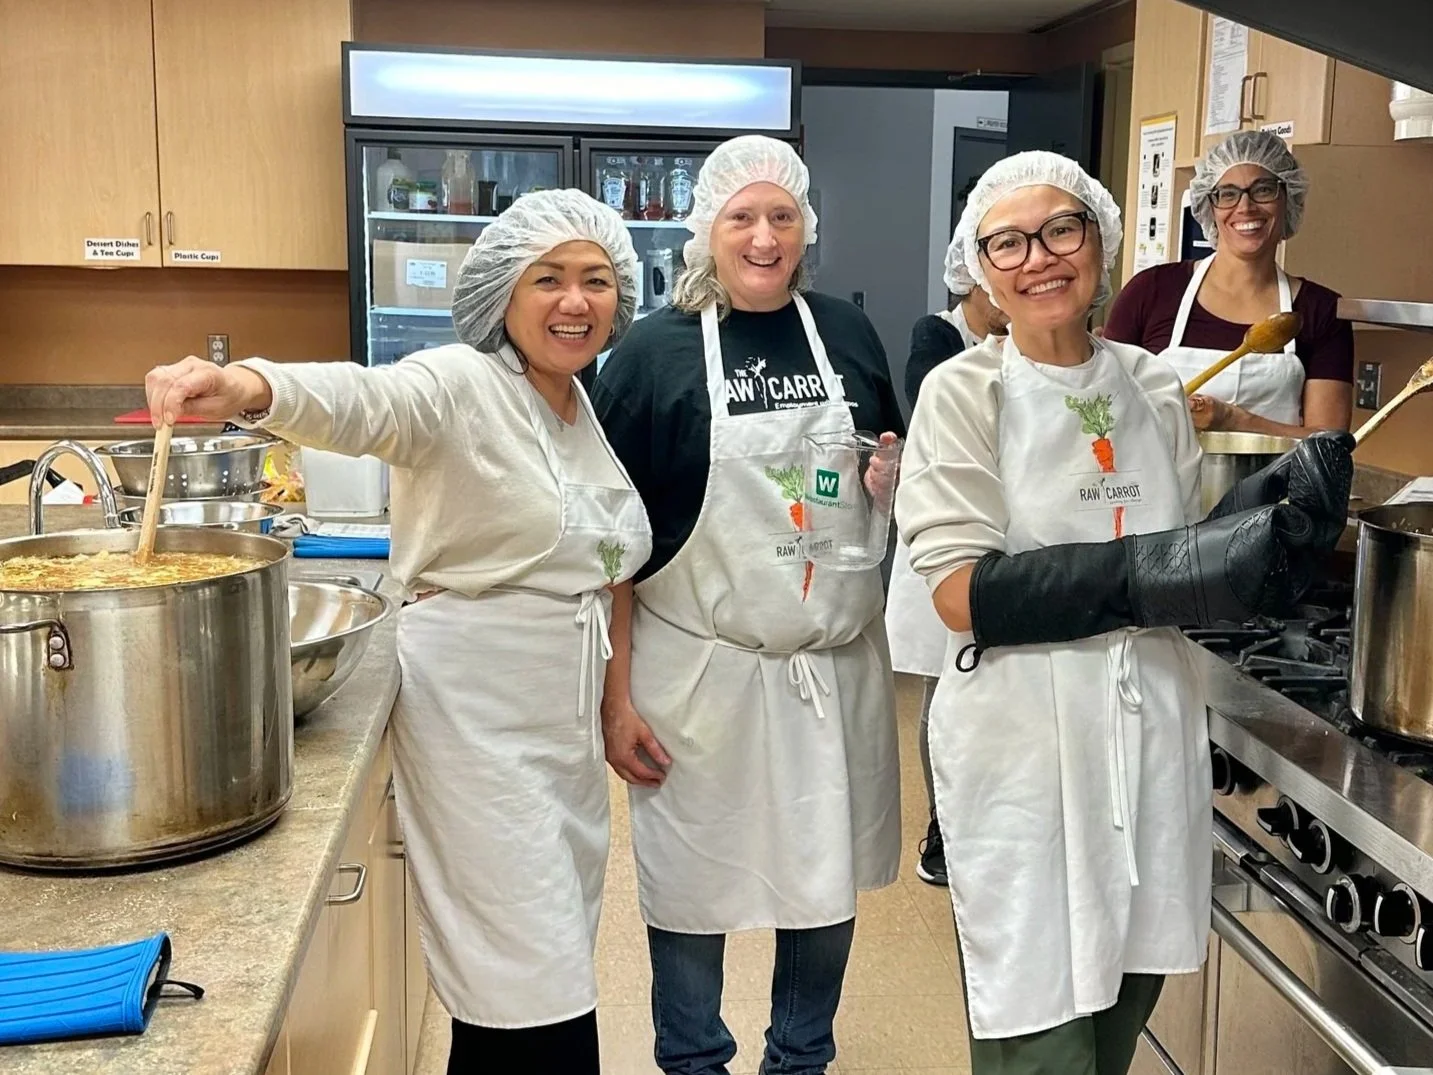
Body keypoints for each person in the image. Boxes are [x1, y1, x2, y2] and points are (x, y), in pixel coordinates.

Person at [143, 190, 651, 1074]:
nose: (576, 301)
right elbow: (362, 401)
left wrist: (613, 705)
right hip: (475, 724)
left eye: (597, 281)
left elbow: (604, 573)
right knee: (525, 982)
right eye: (550, 279)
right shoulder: (457, 382)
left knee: (542, 967)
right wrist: (247, 385)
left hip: (558, 737)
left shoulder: (578, 407)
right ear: (504, 293)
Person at [895, 151, 1354, 1075]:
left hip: (1145, 715)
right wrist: (1141, 576)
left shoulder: (1148, 386)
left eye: (1061, 230)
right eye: (1008, 242)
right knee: (1039, 1025)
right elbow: (959, 593)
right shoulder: (963, 391)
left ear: (1099, 244)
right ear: (981, 266)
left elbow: (1175, 543)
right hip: (1024, 729)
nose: (1039, 258)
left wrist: (1264, 518)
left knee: (1123, 992)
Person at [592, 135, 905, 1075]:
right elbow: (611, 550)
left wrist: (888, 479)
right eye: (742, 217)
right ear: (707, 231)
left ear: (807, 227)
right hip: (701, 672)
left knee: (825, 883)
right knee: (693, 886)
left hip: (832, 663)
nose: (764, 237)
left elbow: (878, 470)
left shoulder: (845, 334)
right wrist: (613, 697)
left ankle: (799, 1059)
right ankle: (692, 1062)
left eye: (782, 216)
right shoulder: (652, 354)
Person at [887, 232, 1008, 888]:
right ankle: (941, 827)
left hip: (1014, 534)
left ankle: (991, 822)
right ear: (967, 278)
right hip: (944, 534)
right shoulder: (935, 335)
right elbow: (939, 404)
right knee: (945, 682)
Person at [1104, 130, 1354, 437]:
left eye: (1263, 189)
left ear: (1288, 198)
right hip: (1161, 484)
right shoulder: (1151, 291)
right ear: (1209, 206)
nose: (1245, 207)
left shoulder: (1321, 311)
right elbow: (1104, 410)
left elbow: (1330, 446)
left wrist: (1235, 422)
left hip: (1277, 485)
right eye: (1227, 193)